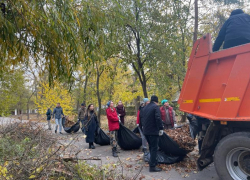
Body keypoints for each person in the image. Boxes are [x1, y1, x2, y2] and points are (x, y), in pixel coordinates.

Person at [141, 95, 164, 172]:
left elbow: (143, 118)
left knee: (151, 147)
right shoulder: (155, 107)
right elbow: (158, 118)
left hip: (146, 131)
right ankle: (152, 167)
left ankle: (153, 161)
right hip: (153, 131)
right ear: (156, 101)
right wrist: (161, 128)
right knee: (154, 148)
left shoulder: (145, 107)